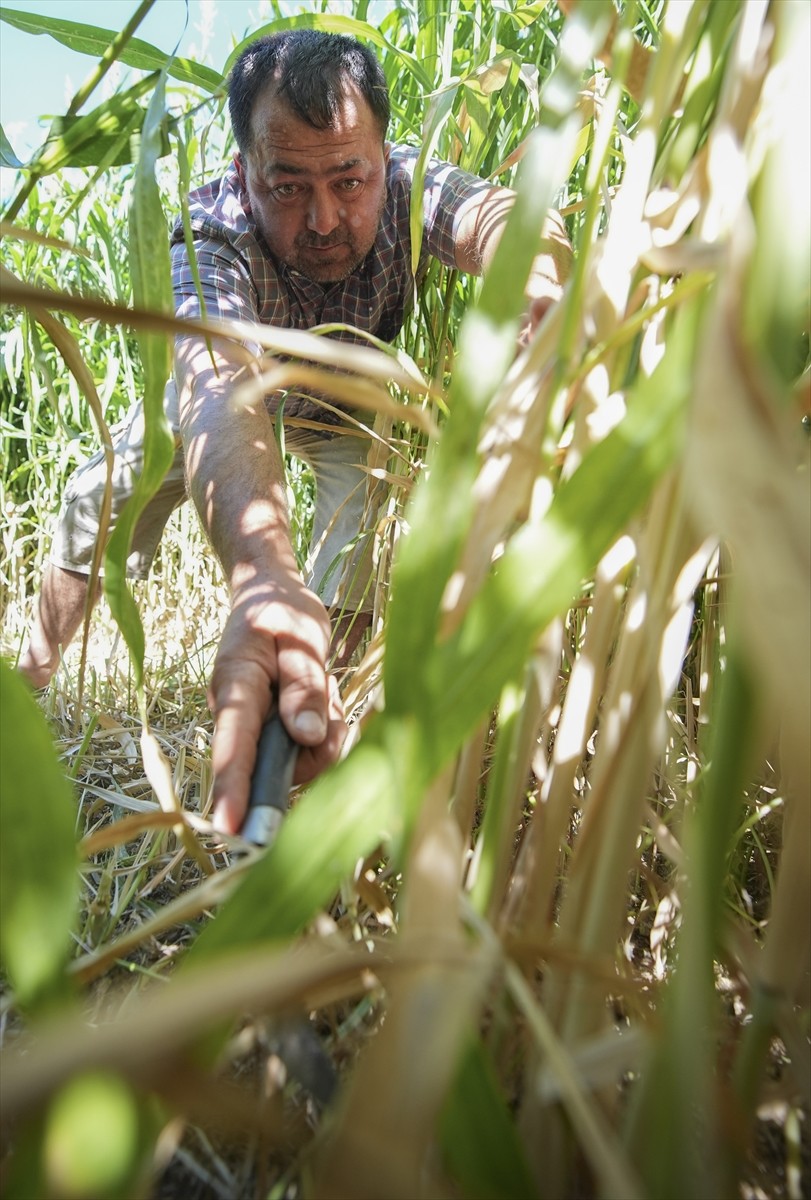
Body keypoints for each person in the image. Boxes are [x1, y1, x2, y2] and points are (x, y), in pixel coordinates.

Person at [19, 30, 571, 835]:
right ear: (244, 172)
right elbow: (216, 387)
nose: (324, 218)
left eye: (350, 180)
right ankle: (30, 687)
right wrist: (263, 570)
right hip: (226, 398)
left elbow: (506, 220)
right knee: (98, 494)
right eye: (287, 186)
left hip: (346, 399)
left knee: (354, 537)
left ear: (385, 158)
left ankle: (306, 736)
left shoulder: (413, 187)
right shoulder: (208, 231)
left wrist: (541, 281)